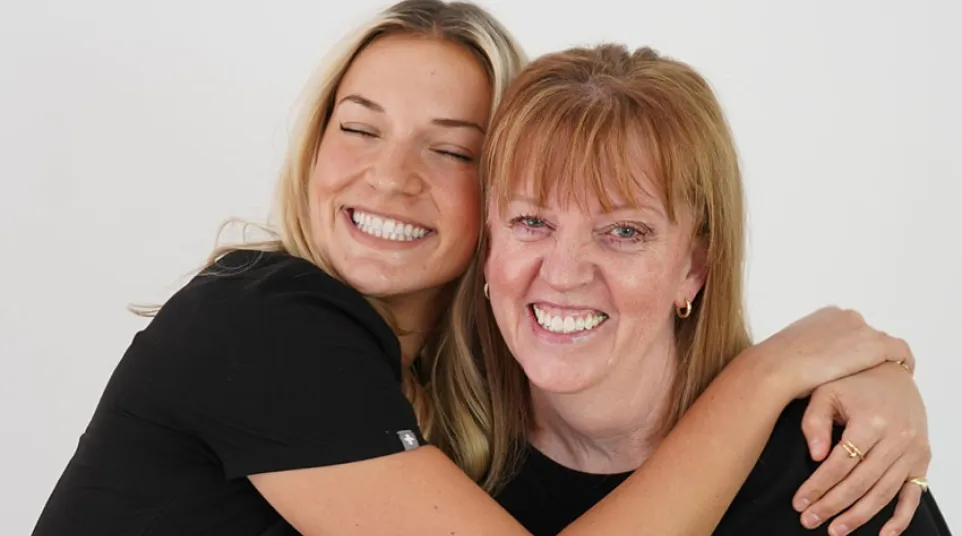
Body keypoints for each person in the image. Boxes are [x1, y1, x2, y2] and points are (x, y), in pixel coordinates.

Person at [30, 1, 935, 535]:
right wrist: (770, 373)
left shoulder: (448, 434)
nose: (390, 177)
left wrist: (876, 376)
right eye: (359, 127)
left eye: (451, 149)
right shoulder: (266, 322)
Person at [451, 43, 952, 535]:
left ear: (696, 265)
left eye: (624, 231)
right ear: (488, 241)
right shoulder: (439, 461)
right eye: (531, 221)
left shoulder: (837, 479)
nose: (564, 273)